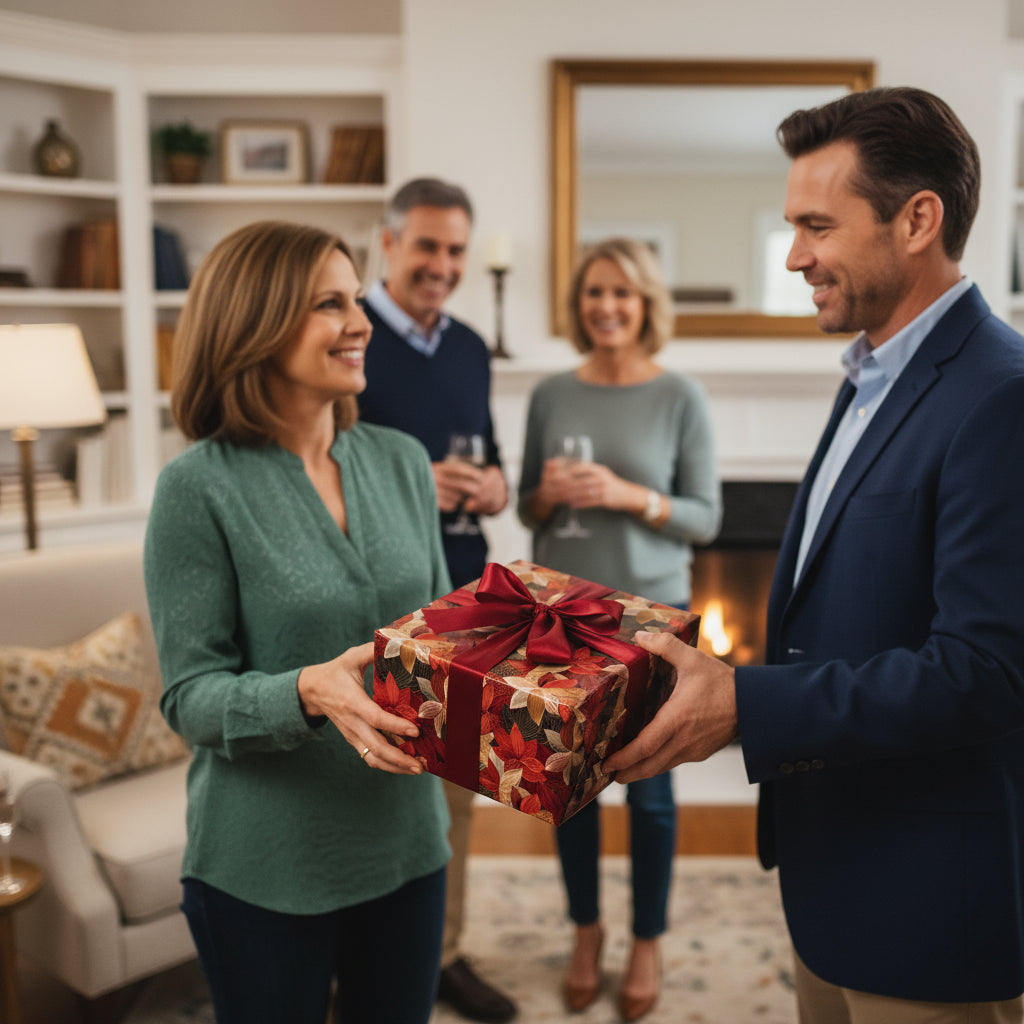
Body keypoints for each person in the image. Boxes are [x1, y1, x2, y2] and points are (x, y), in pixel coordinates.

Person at [605, 87, 1024, 1024]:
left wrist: (742, 702)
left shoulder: (1002, 396)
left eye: (816, 226)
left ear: (919, 220)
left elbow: (988, 672)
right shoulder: (873, 371)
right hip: (831, 878)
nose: (793, 256)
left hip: (930, 908)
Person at [144, 220, 453, 1024]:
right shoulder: (196, 489)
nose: (361, 323)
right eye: (329, 304)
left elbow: (451, 645)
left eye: (356, 300)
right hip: (265, 866)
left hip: (409, 845)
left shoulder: (402, 462)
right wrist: (307, 692)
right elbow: (190, 696)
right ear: (253, 322)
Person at [517, 237, 722, 1021]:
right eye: (594, 293)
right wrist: (545, 494)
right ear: (580, 304)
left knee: (652, 793)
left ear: (645, 306)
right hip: (562, 614)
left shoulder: (681, 397)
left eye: (622, 294)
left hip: (651, 624)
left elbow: (706, 518)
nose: (606, 306)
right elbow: (530, 509)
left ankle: (646, 940)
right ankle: (585, 932)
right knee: (567, 790)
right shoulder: (550, 394)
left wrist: (631, 495)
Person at [356, 177, 516, 1024]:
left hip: (465, 596)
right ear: (388, 244)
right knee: (372, 788)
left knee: (457, 788)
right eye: (428, 247)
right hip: (379, 596)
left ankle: (441, 955)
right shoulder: (346, 335)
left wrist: (494, 486)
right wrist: (416, 476)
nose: (444, 266)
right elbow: (320, 462)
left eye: (456, 250)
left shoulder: (472, 348)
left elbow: (488, 459)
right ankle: (358, 966)